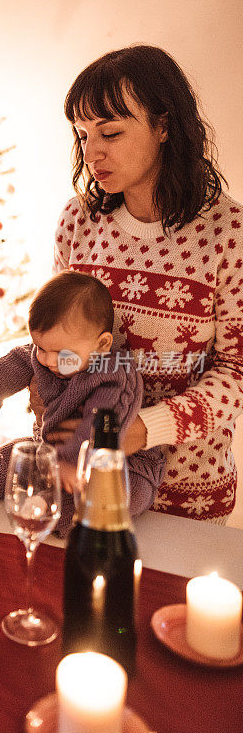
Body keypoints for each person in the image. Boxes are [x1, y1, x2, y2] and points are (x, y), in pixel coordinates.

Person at [48, 44, 243, 523]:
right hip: (85, 484)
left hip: (186, 495)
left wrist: (144, 428)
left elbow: (237, 373)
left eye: (110, 132)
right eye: (83, 134)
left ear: (163, 126)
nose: (92, 152)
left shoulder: (228, 235)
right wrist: (52, 412)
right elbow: (59, 343)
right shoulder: (79, 222)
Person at [0, 271, 165, 534]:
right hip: (52, 452)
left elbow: (98, 426)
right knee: (19, 456)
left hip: (119, 463)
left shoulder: (114, 377)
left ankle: (57, 514)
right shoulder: (49, 355)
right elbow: (13, 365)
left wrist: (71, 462)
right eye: (41, 348)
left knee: (110, 497)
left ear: (102, 345)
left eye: (63, 354)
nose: (49, 361)